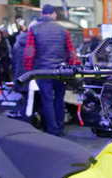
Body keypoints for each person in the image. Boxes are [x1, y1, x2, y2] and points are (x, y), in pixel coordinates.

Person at [23, 4, 79, 136]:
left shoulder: (34, 29)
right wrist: (73, 66)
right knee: (59, 99)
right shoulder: (63, 30)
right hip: (60, 71)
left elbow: (29, 52)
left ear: (42, 14)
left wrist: (29, 69)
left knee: (47, 100)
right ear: (53, 14)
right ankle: (60, 128)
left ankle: (52, 130)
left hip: (42, 71)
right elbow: (71, 51)